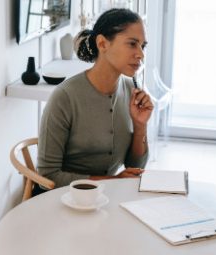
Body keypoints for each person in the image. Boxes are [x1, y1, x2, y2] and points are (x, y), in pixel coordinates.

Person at [37, 8, 153, 190]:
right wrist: (112, 181)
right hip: (63, 199)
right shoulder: (65, 97)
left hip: (104, 198)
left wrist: (140, 126)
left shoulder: (132, 90)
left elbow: (135, 168)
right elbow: (47, 176)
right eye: (132, 44)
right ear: (102, 44)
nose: (141, 54)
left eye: (142, 46)